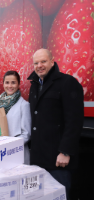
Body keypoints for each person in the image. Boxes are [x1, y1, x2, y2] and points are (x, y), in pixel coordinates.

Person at [28, 49, 84, 199]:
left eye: (43, 61)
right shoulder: (34, 85)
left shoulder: (67, 83)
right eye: (36, 63)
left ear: (52, 62)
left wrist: (65, 151)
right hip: (38, 158)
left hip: (58, 160)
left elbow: (74, 121)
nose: (39, 65)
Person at [0, 71, 31, 164]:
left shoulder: (24, 105)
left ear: (19, 84)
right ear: (3, 84)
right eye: (7, 82)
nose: (10, 86)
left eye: (13, 82)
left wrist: (9, 145)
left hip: (16, 154)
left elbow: (26, 134)